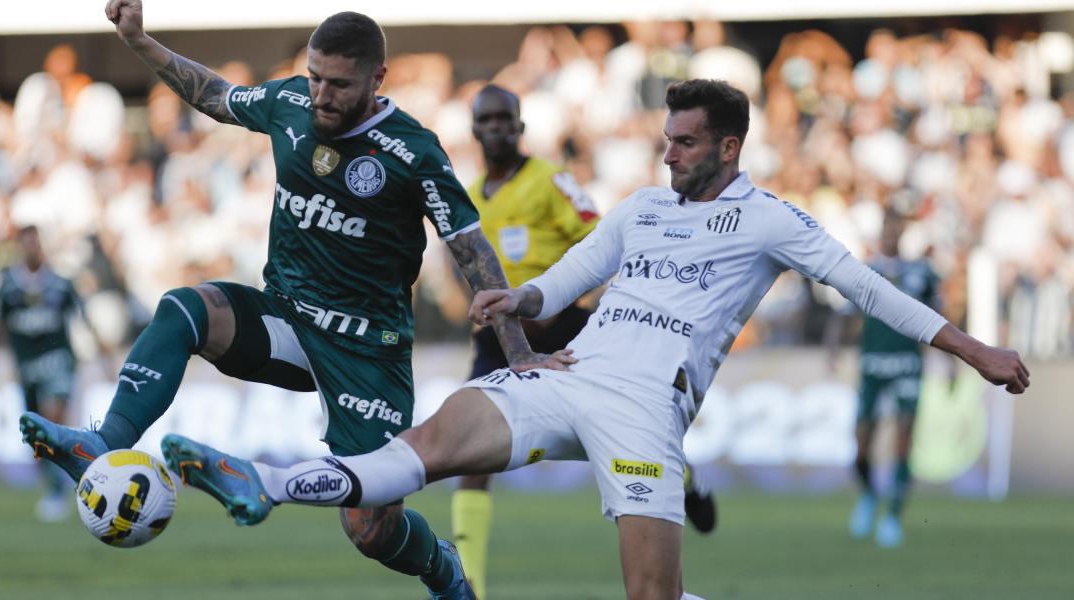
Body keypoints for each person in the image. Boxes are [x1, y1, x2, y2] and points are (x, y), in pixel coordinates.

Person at [158, 79, 1029, 600]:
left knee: (650, 596)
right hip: (568, 371)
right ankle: (264, 482)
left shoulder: (771, 220)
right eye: (666, 139)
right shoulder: (642, 207)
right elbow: (571, 275)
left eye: (685, 143)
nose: (667, 155)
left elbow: (866, 287)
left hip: (647, 408)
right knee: (427, 446)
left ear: (728, 146)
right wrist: (518, 298)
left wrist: (976, 349)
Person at [22, 4, 565, 599]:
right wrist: (138, 40)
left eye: (339, 84)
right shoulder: (290, 103)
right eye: (314, 77)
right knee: (184, 309)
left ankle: (443, 569)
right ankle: (104, 442)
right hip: (286, 317)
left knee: (371, 530)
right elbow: (216, 95)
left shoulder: (413, 152)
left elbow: (472, 250)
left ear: (377, 79)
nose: (321, 95)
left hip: (367, 351)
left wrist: (518, 351)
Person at [451, 83, 714, 598]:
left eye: (506, 118)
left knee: (628, 429)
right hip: (500, 337)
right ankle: (471, 587)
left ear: (521, 126)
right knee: (469, 457)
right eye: (488, 119)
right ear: (474, 129)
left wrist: (559, 302)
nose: (498, 127)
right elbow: (461, 254)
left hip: (566, 327)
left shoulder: (551, 181)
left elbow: (599, 243)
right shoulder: (472, 194)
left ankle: (682, 481)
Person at [0, 225, 110, 522]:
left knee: (52, 421)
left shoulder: (61, 284)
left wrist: (105, 356)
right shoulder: (7, 286)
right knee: (36, 436)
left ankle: (67, 488)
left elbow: (85, 319)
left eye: (35, 244)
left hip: (59, 363)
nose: (32, 249)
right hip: (27, 369)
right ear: (19, 248)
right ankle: (56, 486)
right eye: (26, 244)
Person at [845, 209, 942, 548]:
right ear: (881, 231)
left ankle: (893, 517)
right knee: (861, 442)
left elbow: (940, 317)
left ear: (902, 233)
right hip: (873, 363)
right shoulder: (864, 270)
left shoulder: (921, 273)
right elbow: (845, 315)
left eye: (896, 228)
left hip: (907, 363)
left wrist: (951, 360)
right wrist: (832, 348)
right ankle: (869, 495)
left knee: (904, 438)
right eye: (887, 228)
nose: (891, 233)